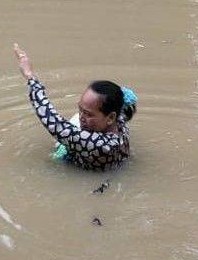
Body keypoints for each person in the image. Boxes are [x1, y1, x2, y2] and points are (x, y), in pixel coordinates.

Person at [13, 43, 137, 171]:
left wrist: (29, 75)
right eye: (80, 110)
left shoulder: (100, 145)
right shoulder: (120, 123)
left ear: (111, 117)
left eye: (89, 114)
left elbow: (55, 124)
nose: (82, 117)